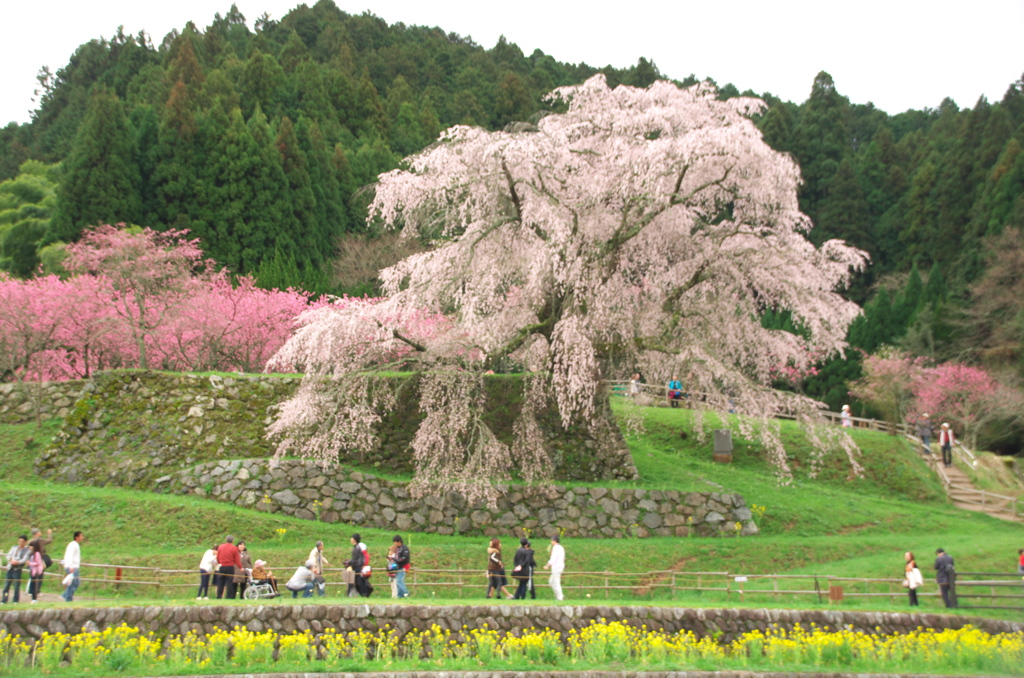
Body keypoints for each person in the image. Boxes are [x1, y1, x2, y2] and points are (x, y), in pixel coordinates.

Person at [3, 536, 31, 604]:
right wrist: (11, 560)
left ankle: (15, 600)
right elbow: (8, 555)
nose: (21, 543)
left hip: (18, 569)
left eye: (22, 541)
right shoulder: (14, 548)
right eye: (20, 541)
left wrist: (17, 562)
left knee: (16, 585)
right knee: (6, 585)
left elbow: (24, 559)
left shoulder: (27, 550)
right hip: (10, 567)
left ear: (25, 542)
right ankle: (4, 599)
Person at [27, 528, 53, 603]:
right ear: (37, 533)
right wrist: (49, 533)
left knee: (32, 576)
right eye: (39, 532)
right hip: (39, 559)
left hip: (32, 559)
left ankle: (31, 591)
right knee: (40, 576)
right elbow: (49, 540)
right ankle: (37, 591)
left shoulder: (30, 541)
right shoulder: (40, 540)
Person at [215, 535, 242, 600]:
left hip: (222, 566)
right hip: (230, 566)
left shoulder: (220, 547)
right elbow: (237, 559)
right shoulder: (234, 548)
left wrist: (219, 563)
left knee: (221, 582)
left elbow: (218, 557)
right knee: (230, 582)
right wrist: (240, 567)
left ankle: (219, 596)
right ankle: (229, 596)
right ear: (233, 541)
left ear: (226, 540)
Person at [61, 531, 83, 602]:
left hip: (74, 566)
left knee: (75, 583)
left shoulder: (75, 545)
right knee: (74, 583)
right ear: (77, 537)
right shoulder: (73, 545)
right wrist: (70, 566)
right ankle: (67, 597)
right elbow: (69, 555)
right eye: (81, 536)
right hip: (72, 567)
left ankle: (66, 596)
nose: (82, 538)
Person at [543, 535, 566, 601]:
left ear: (554, 541)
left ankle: (560, 597)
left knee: (556, 582)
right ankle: (558, 595)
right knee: (551, 581)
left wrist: (547, 565)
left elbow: (553, 559)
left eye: (552, 540)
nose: (551, 542)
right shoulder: (561, 548)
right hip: (560, 566)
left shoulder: (556, 548)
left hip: (557, 567)